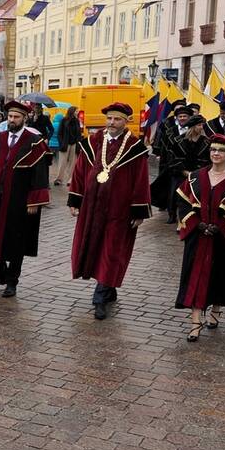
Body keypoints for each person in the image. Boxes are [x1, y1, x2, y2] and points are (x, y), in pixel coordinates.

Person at [68, 103, 151, 320]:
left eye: (117, 119)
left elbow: (141, 181)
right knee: (93, 248)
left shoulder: (134, 147)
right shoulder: (92, 142)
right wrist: (74, 200)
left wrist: (138, 211)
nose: (112, 123)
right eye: (109, 119)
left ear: (126, 121)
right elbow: (79, 172)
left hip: (119, 210)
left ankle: (100, 298)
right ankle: (109, 287)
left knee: (112, 251)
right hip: (92, 208)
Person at [174, 135, 225, 342]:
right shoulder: (195, 177)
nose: (216, 153)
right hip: (198, 236)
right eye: (213, 150)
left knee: (221, 275)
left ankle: (216, 309)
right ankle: (195, 323)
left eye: (221, 150)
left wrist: (221, 226)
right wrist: (197, 223)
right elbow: (183, 202)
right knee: (194, 277)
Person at [0, 100, 52, 298]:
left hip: (19, 201)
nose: (12, 120)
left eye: (16, 116)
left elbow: (40, 175)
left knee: (16, 241)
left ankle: (12, 281)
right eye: (10, 116)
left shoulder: (35, 143)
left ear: (25, 118)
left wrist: (34, 200)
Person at [151, 104, 192, 224]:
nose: (183, 118)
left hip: (187, 166)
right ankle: (171, 214)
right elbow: (164, 148)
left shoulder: (192, 131)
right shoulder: (170, 131)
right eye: (180, 116)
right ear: (177, 118)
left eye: (185, 116)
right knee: (172, 191)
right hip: (171, 165)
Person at [53, 106, 82, 187]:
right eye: (76, 111)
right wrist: (61, 143)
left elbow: (79, 134)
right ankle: (59, 179)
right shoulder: (64, 120)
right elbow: (59, 133)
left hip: (74, 144)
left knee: (73, 163)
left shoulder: (77, 121)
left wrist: (79, 144)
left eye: (77, 111)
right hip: (65, 144)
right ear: (72, 112)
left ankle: (71, 179)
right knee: (62, 162)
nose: (77, 113)